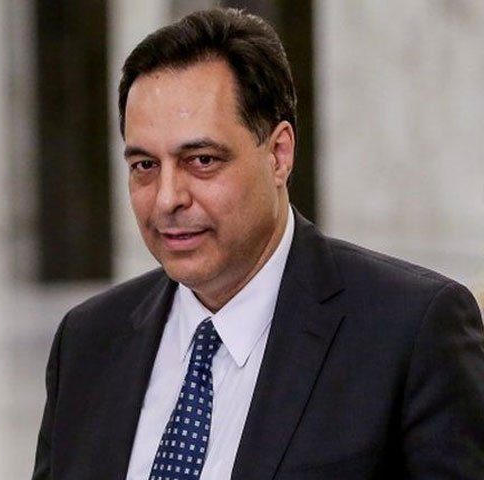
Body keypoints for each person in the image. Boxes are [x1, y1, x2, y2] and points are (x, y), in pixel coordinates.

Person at [31, 8, 484, 480]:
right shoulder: (87, 342)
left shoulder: (408, 334)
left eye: (202, 160)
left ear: (279, 154)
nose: (167, 199)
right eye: (145, 166)